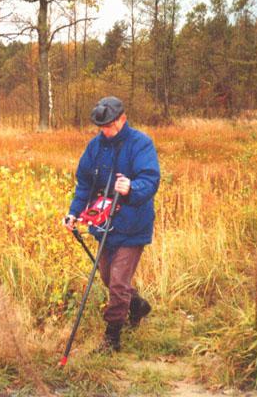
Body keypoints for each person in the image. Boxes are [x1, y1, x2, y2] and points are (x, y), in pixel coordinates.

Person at [64, 96, 160, 353]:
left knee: (118, 282)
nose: (105, 131)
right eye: (101, 126)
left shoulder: (141, 144)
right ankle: (137, 305)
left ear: (122, 120)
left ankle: (112, 339)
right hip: (105, 225)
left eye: (109, 125)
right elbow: (84, 184)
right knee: (108, 276)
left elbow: (150, 180)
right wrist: (74, 213)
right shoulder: (94, 147)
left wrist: (131, 187)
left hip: (133, 224)